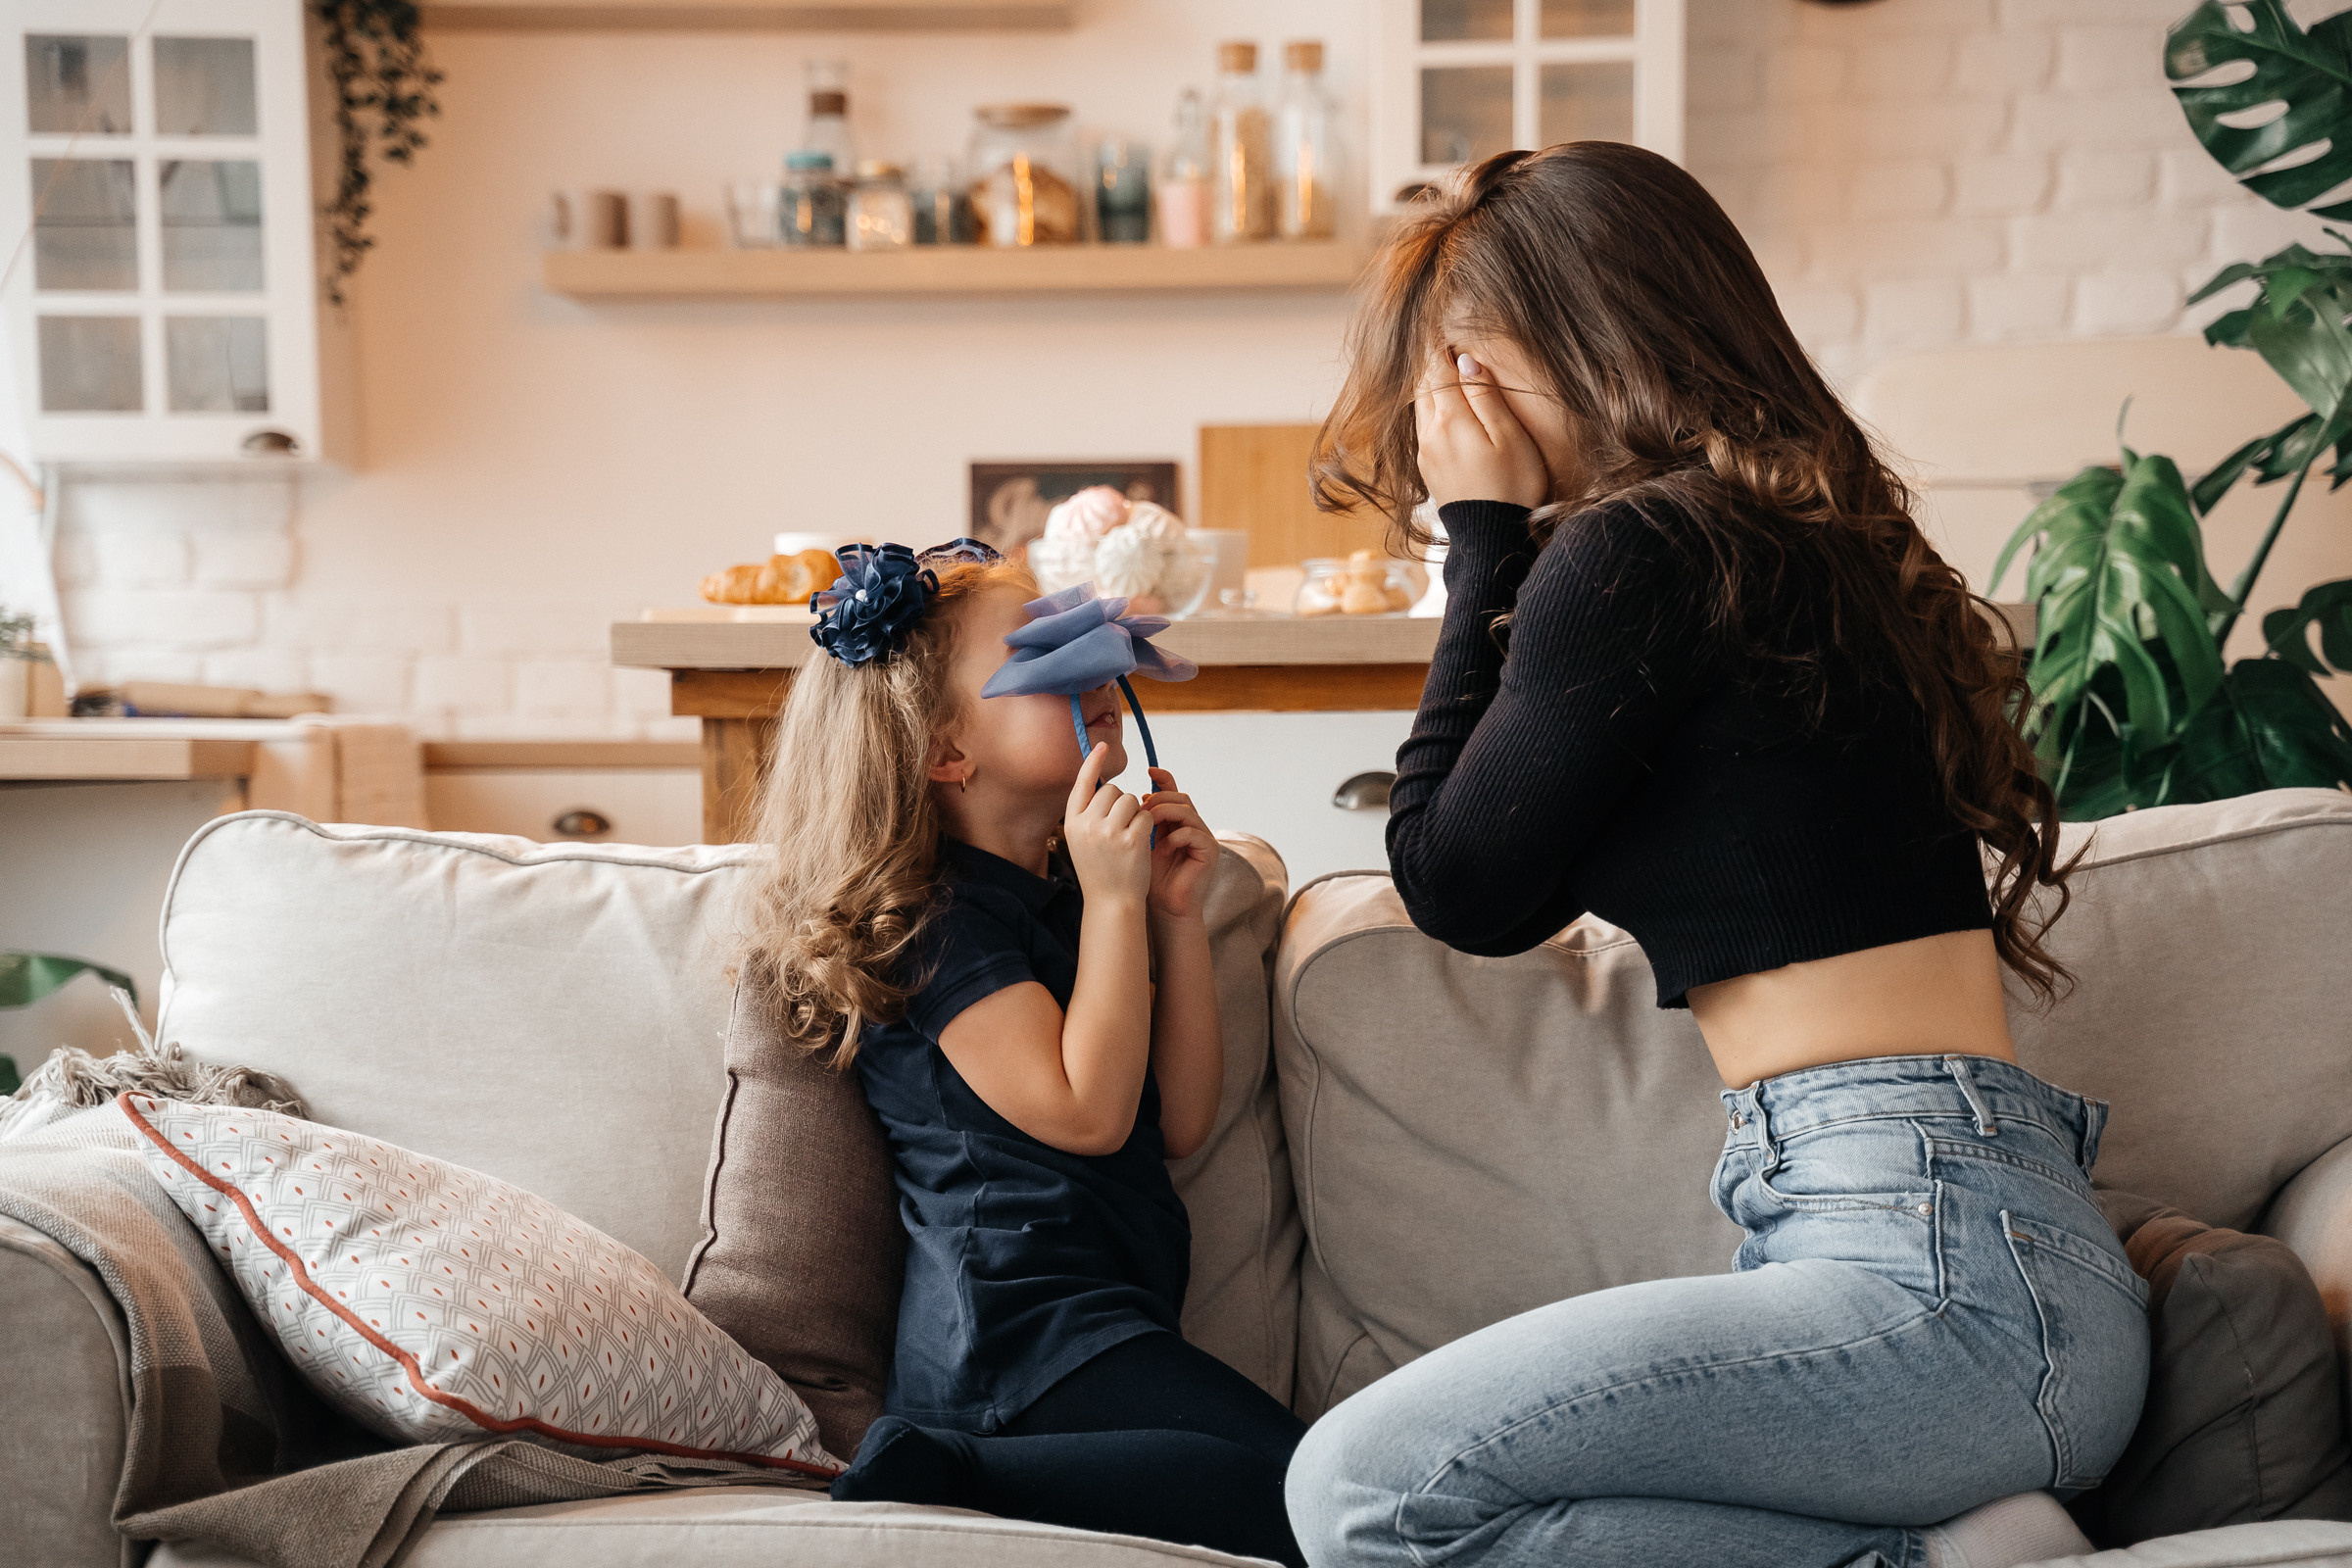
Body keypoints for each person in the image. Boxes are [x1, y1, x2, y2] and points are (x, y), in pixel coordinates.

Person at [1285, 142, 2149, 1568]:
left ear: (1576, 336)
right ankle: (1970, 1553)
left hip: (1933, 1272)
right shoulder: (1787, 546)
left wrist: (1482, 537)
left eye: (1463, 365)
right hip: (1985, 1261)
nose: (1448, 412)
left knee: (1363, 1492)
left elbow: (1460, 886)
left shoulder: (1634, 552)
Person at [735, 540, 1307, 1565]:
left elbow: (1173, 1118)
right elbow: (1083, 1110)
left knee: (1319, 1488)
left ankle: (960, 1469)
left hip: (1099, 1326)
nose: (1087, 671)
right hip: (1011, 1338)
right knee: (1317, 1495)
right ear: (947, 751)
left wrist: (1170, 912)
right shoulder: (933, 922)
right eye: (1038, 656)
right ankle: (945, 1466)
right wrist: (1121, 903)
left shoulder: (1075, 899)